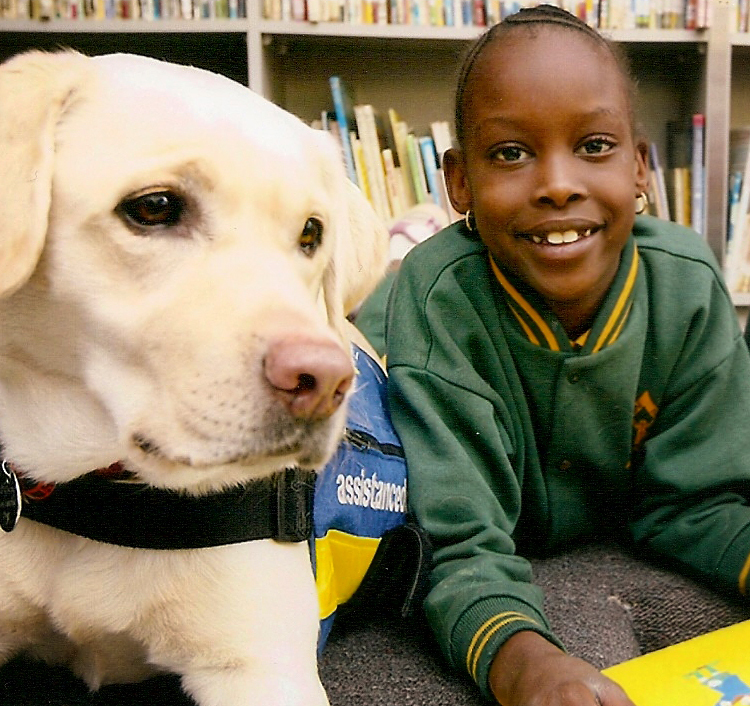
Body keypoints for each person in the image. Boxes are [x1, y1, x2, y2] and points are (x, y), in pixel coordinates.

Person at [382, 5, 750, 706]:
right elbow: (451, 546)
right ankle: (396, 242)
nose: (556, 183)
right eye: (511, 154)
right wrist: (526, 664)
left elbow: (694, 504)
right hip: (403, 323)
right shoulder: (439, 304)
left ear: (640, 166)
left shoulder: (686, 285)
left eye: (594, 145)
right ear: (459, 181)